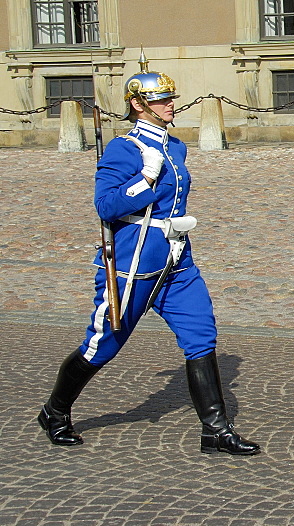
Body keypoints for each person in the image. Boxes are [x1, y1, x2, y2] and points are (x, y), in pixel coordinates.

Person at [37, 55, 260, 456]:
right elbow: (106, 206)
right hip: (133, 263)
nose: (171, 104)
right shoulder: (126, 149)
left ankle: (215, 429)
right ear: (138, 104)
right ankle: (55, 411)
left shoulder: (175, 145)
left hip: (177, 260)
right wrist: (144, 177)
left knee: (201, 335)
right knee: (103, 344)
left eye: (171, 98)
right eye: (161, 100)